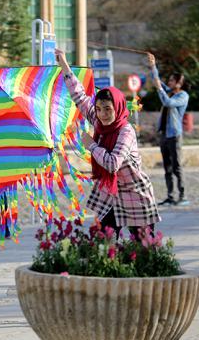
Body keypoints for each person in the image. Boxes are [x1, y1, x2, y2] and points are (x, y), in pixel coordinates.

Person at [56, 48, 161, 239]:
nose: (102, 114)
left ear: (118, 107)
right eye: (98, 109)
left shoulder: (125, 131)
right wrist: (63, 64)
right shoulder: (98, 120)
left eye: (107, 109)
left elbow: (113, 164)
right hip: (111, 194)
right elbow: (79, 96)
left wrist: (92, 145)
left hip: (134, 194)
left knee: (144, 246)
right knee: (104, 243)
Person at [147, 53, 190, 206]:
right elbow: (157, 81)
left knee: (177, 166)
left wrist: (159, 89)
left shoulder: (183, 96)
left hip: (175, 135)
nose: (169, 82)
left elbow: (167, 102)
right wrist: (153, 65)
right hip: (164, 135)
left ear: (179, 83)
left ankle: (182, 195)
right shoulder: (170, 91)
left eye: (172, 80)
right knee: (167, 167)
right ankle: (170, 196)